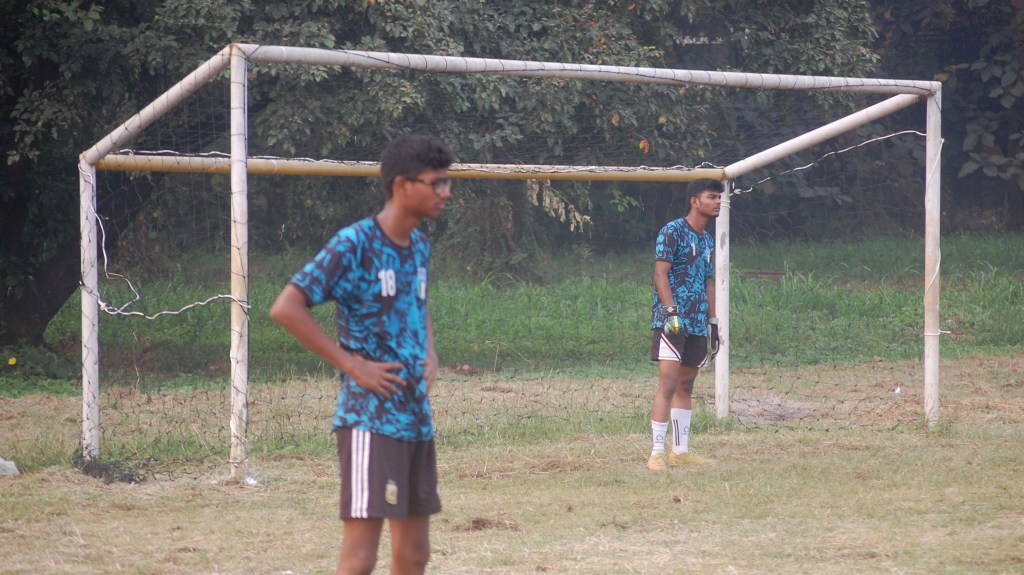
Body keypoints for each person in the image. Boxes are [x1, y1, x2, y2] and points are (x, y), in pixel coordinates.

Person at [269, 133, 454, 574]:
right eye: (436, 183)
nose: (446, 192)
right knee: (360, 559)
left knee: (415, 554)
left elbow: (418, 303)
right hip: (369, 419)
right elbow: (286, 308)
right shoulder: (354, 244)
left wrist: (430, 352)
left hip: (415, 416)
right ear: (402, 185)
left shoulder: (420, 244)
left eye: (448, 182)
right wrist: (353, 366)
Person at [646, 178, 723, 472]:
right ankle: (656, 452)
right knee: (667, 383)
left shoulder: (706, 240)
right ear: (694, 201)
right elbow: (660, 274)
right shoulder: (673, 231)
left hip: (697, 322)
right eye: (712, 196)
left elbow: (707, 282)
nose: (718, 202)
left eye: (719, 197)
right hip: (672, 321)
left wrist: (713, 322)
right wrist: (671, 312)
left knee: (686, 384)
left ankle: (680, 451)